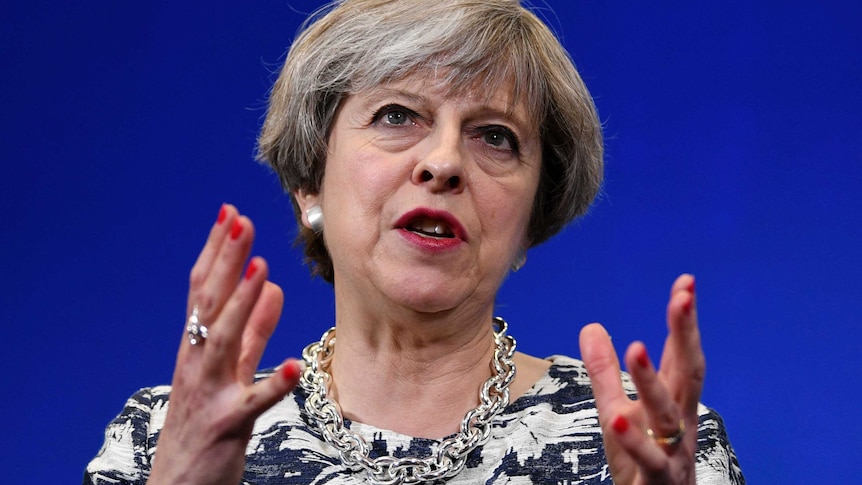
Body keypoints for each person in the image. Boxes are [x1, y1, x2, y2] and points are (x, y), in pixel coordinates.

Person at [84, 0, 744, 483]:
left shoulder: (656, 442)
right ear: (310, 182)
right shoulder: (160, 436)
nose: (444, 161)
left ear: (528, 221)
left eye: (496, 136)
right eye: (398, 115)